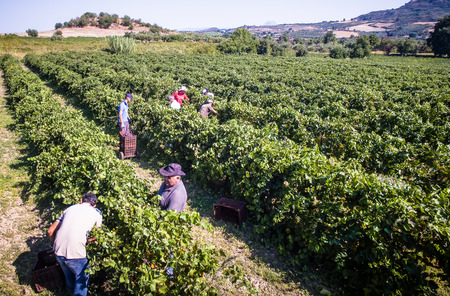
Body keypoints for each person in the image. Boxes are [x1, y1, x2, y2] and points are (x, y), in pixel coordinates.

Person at [47, 193, 102, 296]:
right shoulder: (96, 213)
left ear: (81, 200)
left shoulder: (69, 208)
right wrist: (87, 240)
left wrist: (54, 245)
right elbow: (100, 236)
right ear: (94, 205)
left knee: (69, 275)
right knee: (81, 280)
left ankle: (70, 291)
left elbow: (50, 231)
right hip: (76, 254)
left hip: (58, 251)